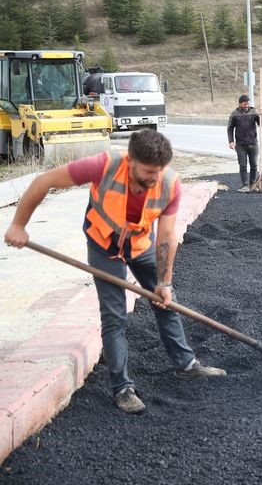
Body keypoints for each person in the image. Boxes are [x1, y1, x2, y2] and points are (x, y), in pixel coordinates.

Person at [4, 129, 226, 415]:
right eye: (147, 171)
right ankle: (122, 387)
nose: (154, 178)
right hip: (104, 245)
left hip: (140, 244)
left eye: (158, 171)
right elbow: (44, 181)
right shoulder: (104, 165)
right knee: (114, 316)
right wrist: (19, 225)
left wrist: (164, 282)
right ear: (130, 160)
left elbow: (167, 236)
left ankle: (186, 366)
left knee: (167, 303)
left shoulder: (169, 183)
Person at [227, 94, 262, 192]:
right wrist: (231, 141)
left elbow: (261, 124)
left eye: (247, 103)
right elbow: (230, 128)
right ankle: (245, 185)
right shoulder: (234, 113)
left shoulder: (254, 111)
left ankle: (252, 184)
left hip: (253, 143)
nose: (246, 105)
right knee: (243, 165)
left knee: (254, 165)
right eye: (244, 104)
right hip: (240, 145)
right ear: (240, 104)